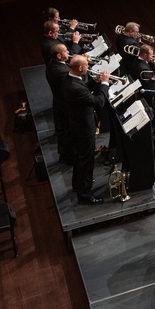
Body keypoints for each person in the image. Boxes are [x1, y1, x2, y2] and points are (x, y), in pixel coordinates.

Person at [64, 55, 109, 204]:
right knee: (86, 159)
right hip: (83, 128)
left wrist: (95, 82)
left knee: (80, 157)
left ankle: (78, 185)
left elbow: (84, 90)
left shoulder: (69, 79)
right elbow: (98, 102)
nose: (89, 66)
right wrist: (104, 84)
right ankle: (85, 193)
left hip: (76, 125)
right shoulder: (76, 88)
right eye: (87, 65)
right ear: (80, 68)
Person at [44, 42, 73, 162]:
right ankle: (69, 157)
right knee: (68, 132)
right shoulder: (61, 71)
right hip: (65, 105)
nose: (69, 53)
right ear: (59, 56)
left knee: (64, 131)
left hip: (59, 102)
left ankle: (65, 154)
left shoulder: (53, 64)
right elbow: (74, 83)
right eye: (66, 51)